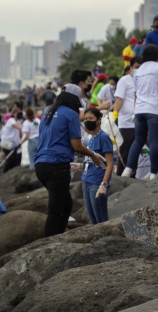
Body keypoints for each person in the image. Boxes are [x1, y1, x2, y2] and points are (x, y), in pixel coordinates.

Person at [33, 90, 106, 237]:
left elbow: (51, 140)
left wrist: (74, 151)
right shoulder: (70, 114)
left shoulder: (47, 113)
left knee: (66, 205)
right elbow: (77, 146)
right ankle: (49, 243)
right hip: (56, 167)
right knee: (55, 210)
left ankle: (59, 236)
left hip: (40, 165)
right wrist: (92, 155)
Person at [121, 45, 158, 180]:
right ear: (157, 56)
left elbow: (136, 94)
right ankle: (154, 173)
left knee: (138, 140)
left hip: (139, 110)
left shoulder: (138, 70)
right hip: (155, 109)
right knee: (154, 142)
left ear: (143, 56)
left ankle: (128, 169)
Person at [80, 108, 115, 224]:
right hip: (86, 181)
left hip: (96, 183)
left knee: (101, 221)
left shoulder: (103, 137)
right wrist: (80, 165)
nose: (87, 121)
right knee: (93, 221)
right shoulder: (91, 138)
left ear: (99, 120)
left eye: (90, 118)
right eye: (85, 119)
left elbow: (110, 163)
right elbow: (93, 161)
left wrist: (103, 185)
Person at [113, 60, 138, 170]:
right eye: (136, 67)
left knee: (137, 151)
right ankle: (121, 174)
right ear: (131, 68)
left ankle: (133, 175)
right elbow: (119, 99)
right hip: (126, 123)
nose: (138, 69)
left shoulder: (143, 80)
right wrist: (114, 114)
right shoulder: (125, 80)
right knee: (125, 150)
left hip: (139, 121)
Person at [0, 105, 24, 172]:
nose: (19, 115)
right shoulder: (11, 120)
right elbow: (19, 128)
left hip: (13, 144)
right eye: (18, 113)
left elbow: (20, 133)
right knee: (10, 159)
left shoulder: (18, 122)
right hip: (7, 143)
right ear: (14, 114)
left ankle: (11, 171)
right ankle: (5, 172)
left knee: (16, 159)